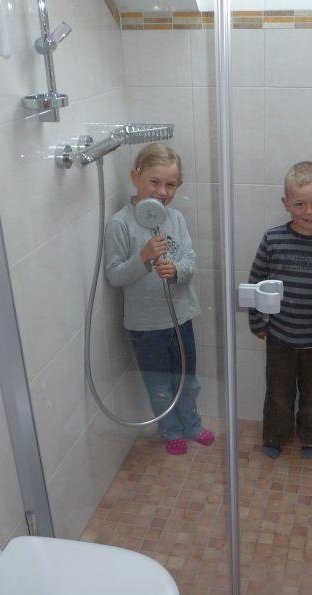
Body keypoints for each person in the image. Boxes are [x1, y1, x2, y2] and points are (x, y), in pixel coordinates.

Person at [104, 142, 214, 455]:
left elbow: (190, 260)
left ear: (179, 185)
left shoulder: (175, 218)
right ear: (135, 177)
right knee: (160, 385)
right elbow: (114, 275)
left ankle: (192, 424)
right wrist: (143, 258)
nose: (162, 192)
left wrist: (176, 270)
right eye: (154, 182)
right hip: (145, 325)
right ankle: (169, 430)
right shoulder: (120, 223)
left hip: (180, 317)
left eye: (170, 185)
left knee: (188, 380)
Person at [248, 162, 312, 460]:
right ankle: (275, 435)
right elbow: (255, 283)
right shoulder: (273, 240)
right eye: (300, 204)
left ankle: (311, 437)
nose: (309, 212)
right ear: (286, 203)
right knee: (278, 393)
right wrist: (257, 321)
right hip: (279, 337)